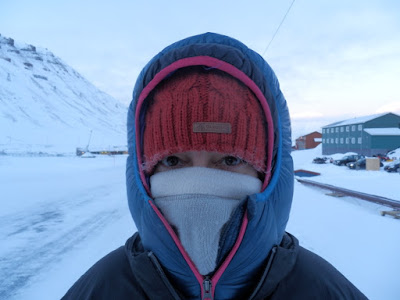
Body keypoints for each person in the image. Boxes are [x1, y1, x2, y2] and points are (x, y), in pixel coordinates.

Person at [63, 33, 367, 299]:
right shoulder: (99, 290)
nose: (198, 181)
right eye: (172, 161)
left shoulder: (325, 291)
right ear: (143, 175)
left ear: (268, 175)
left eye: (230, 160)